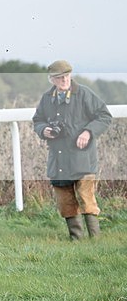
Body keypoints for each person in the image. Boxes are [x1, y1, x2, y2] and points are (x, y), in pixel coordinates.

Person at [32, 60, 112, 240]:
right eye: (60, 78)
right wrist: (43, 130)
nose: (65, 80)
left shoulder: (84, 93)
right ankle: (76, 239)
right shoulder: (47, 98)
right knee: (65, 201)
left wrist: (88, 132)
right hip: (58, 160)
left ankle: (95, 239)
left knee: (86, 198)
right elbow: (37, 120)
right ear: (52, 79)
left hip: (83, 158)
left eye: (67, 76)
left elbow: (104, 116)